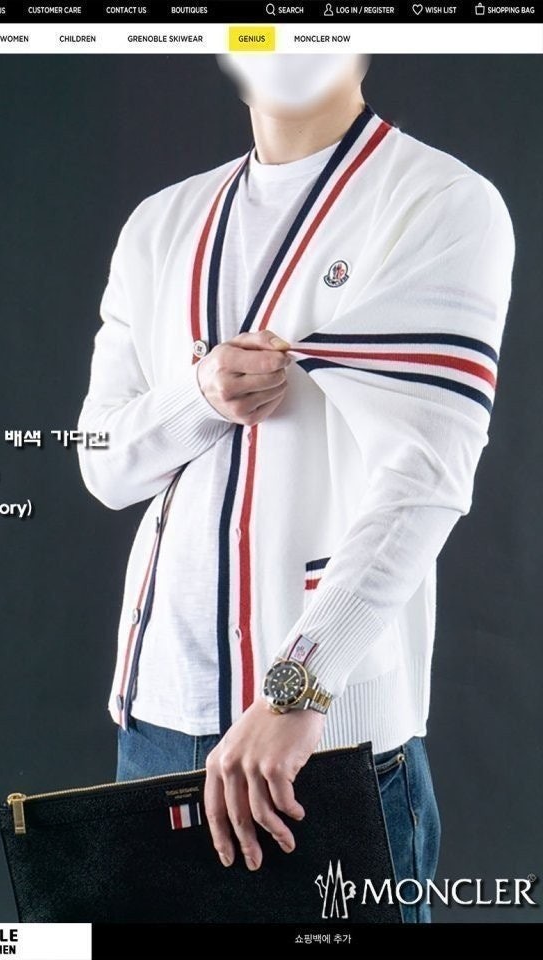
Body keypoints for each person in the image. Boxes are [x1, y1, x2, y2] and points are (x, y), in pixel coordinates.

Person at [76, 54, 515, 923]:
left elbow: (425, 477)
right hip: (155, 726)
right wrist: (201, 396)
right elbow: (102, 462)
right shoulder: (160, 223)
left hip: (322, 737)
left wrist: (298, 686)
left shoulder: (437, 200)